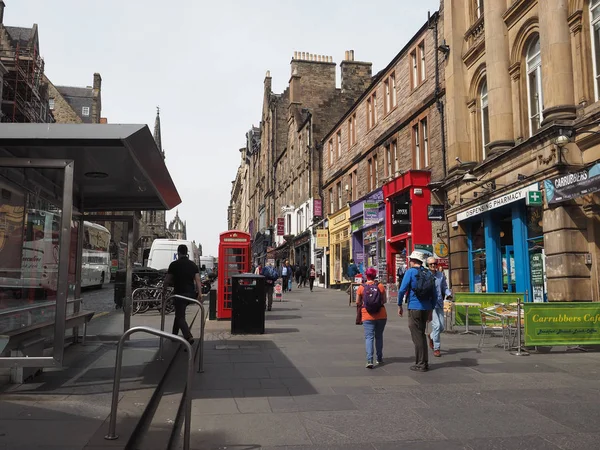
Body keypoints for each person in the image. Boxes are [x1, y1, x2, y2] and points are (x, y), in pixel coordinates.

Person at [397, 251, 435, 372]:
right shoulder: (428, 272)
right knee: (422, 334)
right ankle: (424, 362)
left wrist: (399, 305)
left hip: (414, 307)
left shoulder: (410, 272)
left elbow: (402, 290)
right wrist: (431, 309)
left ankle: (421, 364)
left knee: (417, 336)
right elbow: (434, 294)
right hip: (426, 307)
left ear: (413, 261)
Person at [163, 244, 202, 345]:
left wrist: (164, 292)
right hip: (190, 294)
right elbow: (198, 280)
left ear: (178, 252)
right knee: (179, 313)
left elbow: (167, 280)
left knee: (180, 317)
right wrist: (200, 293)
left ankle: (188, 336)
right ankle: (174, 335)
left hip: (179, 294)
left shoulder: (174, 264)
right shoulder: (192, 265)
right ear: (187, 253)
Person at [356, 267, 387, 368]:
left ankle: (369, 360)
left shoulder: (361, 287)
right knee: (379, 336)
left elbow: (357, 302)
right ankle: (379, 358)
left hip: (367, 315)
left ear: (366, 276)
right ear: (375, 275)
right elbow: (384, 300)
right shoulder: (380, 286)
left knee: (369, 337)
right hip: (381, 315)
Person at [427, 257, 452, 357]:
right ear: (428, 266)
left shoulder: (440, 275)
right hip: (430, 304)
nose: (433, 265)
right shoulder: (426, 276)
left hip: (439, 303)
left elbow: (444, 288)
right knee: (436, 326)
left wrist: (448, 293)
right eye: (431, 264)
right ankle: (437, 348)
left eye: (435, 264)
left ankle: (431, 336)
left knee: (441, 327)